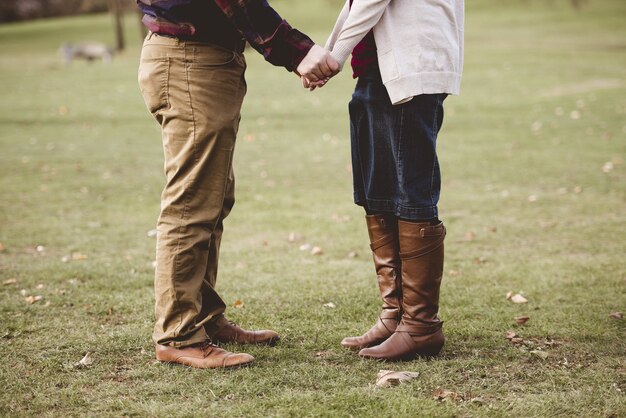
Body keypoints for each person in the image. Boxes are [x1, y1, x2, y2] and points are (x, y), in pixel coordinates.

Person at [136, 0, 339, 369]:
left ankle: (204, 317)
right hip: (189, 60)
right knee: (192, 203)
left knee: (213, 197)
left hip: (198, 56)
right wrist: (297, 51)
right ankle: (178, 334)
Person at [313, 0, 464, 361]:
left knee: (409, 193)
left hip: (409, 67)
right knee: (378, 192)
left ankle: (420, 325)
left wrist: (332, 55)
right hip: (376, 67)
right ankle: (396, 314)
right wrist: (331, 53)